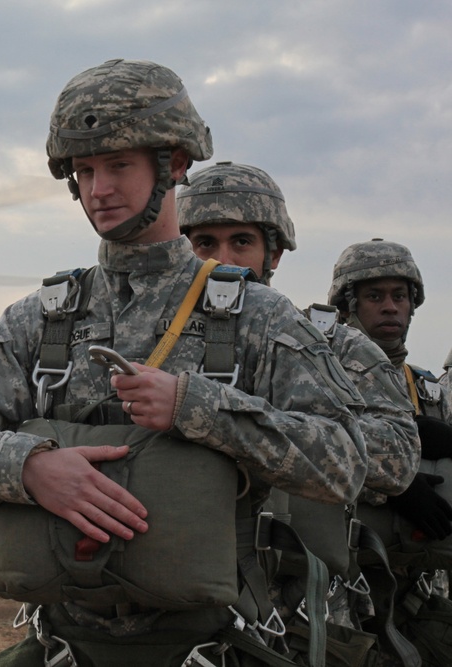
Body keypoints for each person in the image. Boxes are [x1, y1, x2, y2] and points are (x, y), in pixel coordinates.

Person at [0, 59, 367, 666]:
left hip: (208, 644)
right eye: (84, 170)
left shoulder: (258, 317)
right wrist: (31, 468)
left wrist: (196, 407)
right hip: (64, 646)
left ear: (174, 165)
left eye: (119, 165)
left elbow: (342, 461)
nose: (99, 189)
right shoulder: (40, 320)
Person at [178, 162, 420, 660]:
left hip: (298, 616)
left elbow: (396, 458)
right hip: (175, 604)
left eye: (241, 242)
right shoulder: (153, 345)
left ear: (275, 253)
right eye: (204, 243)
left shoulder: (333, 345)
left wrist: (237, 423)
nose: (223, 261)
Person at [328, 239, 452, 666]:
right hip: (340, 589)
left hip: (422, 591)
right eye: (374, 296)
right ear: (348, 304)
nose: (389, 307)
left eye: (399, 296)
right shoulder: (316, 377)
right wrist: (392, 484)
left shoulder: (429, 391)